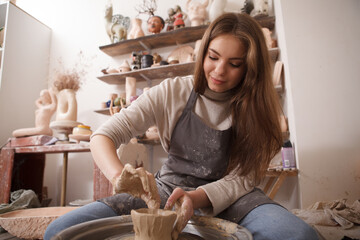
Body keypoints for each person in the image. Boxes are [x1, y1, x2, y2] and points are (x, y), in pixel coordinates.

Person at [44, 13, 318, 240]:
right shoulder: (173, 90)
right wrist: (119, 177)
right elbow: (104, 134)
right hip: (169, 190)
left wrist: (197, 199)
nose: (219, 71)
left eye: (234, 64)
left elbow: (243, 179)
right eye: (213, 57)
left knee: (299, 235)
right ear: (202, 54)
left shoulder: (257, 107)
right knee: (61, 232)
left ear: (250, 68)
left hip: (233, 196)